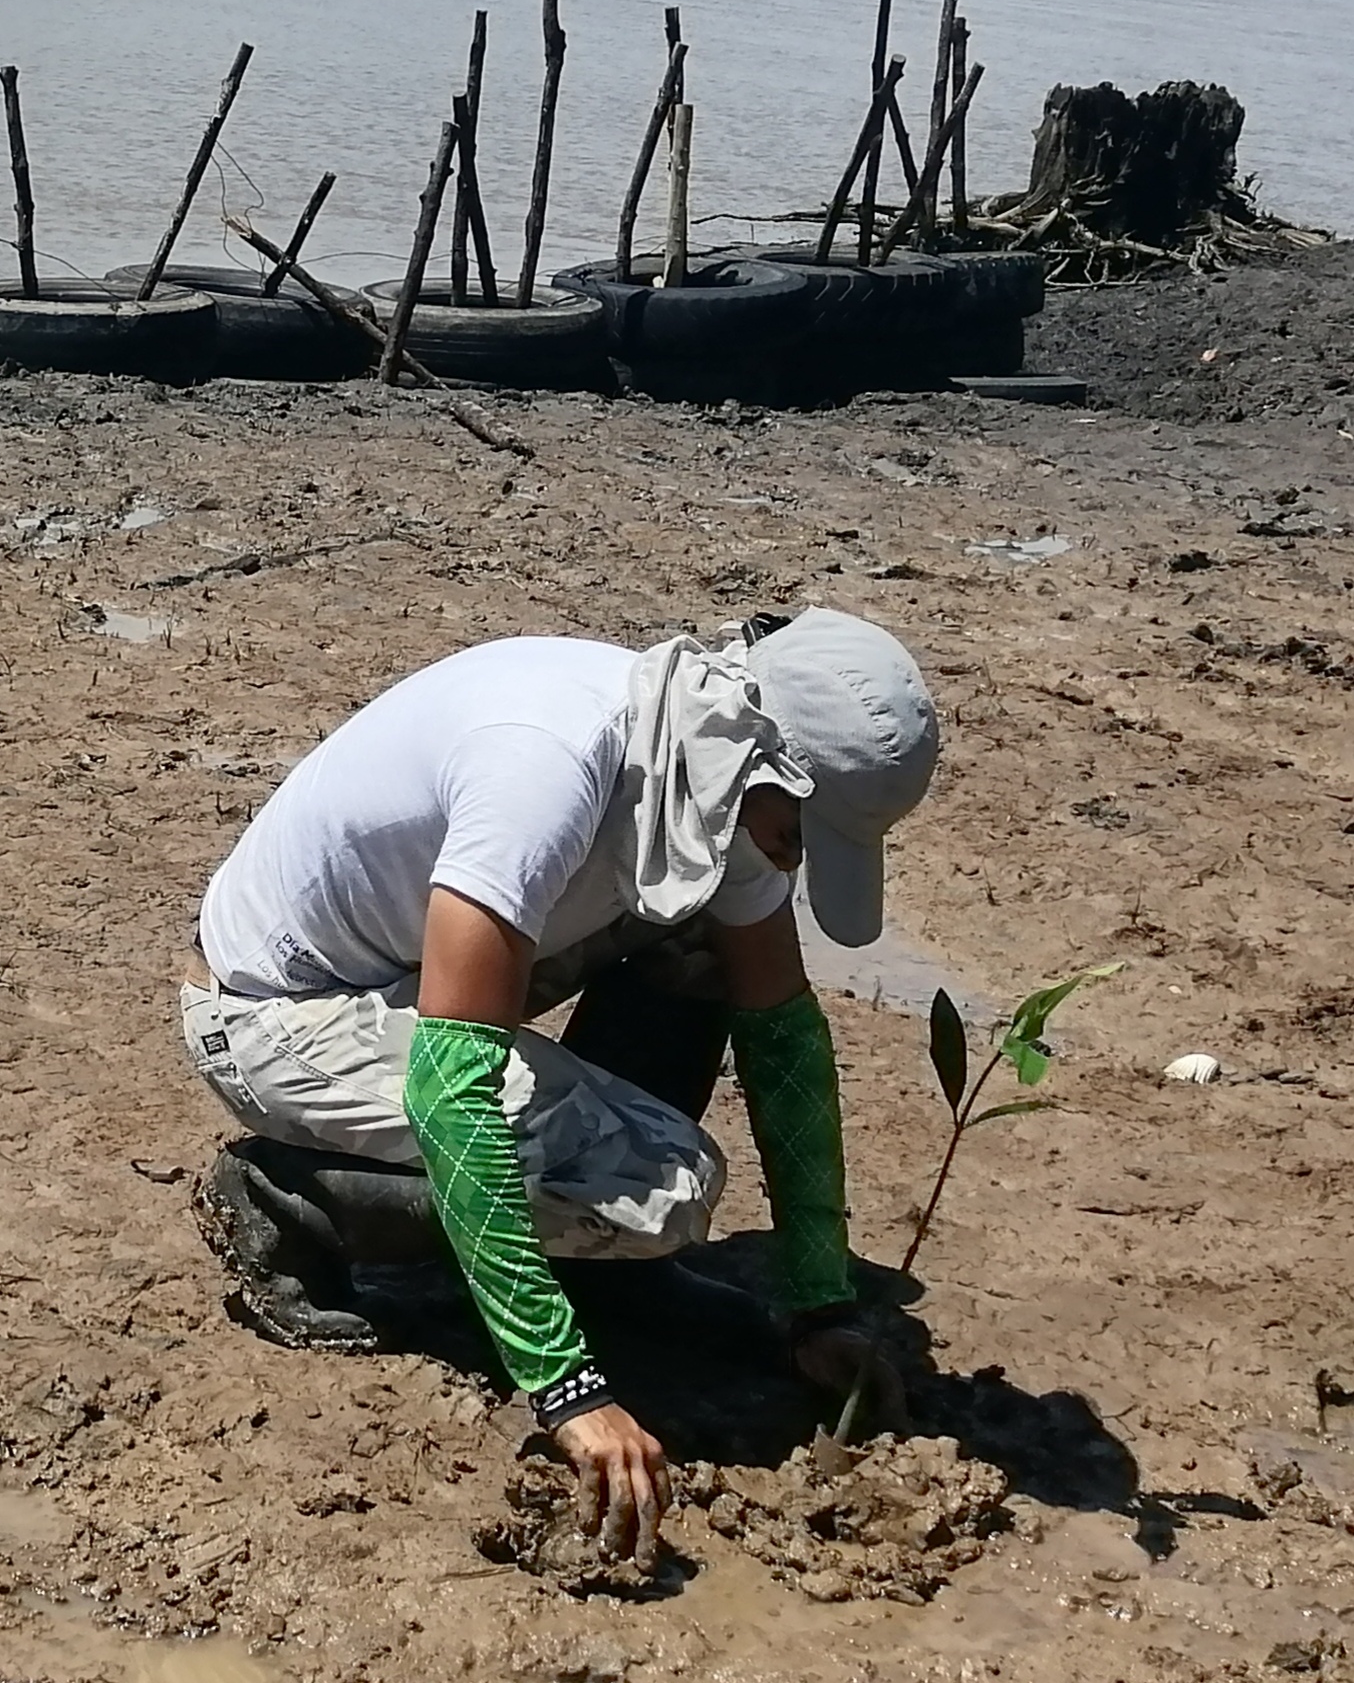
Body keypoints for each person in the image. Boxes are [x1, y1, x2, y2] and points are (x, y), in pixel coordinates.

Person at [178, 608, 938, 1563]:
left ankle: (604, 1268)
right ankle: (300, 1200)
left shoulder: (705, 746)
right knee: (668, 1181)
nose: (792, 859)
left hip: (408, 964)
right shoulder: (550, 763)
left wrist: (819, 1304)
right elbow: (455, 1083)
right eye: (796, 835)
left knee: (701, 931)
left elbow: (780, 1033)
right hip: (277, 1013)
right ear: (766, 768)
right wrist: (566, 1386)